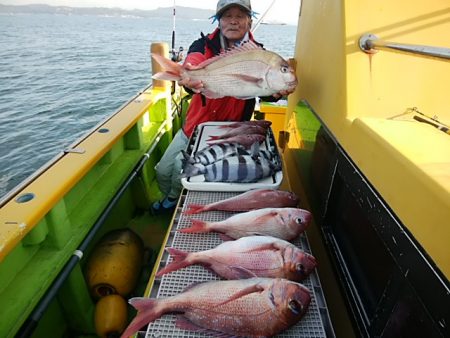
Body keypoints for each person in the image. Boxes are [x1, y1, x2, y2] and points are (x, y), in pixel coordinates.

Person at [151, 0, 295, 213]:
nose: (234, 21)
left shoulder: (261, 54)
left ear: (249, 20)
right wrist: (188, 73)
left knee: (185, 174)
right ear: (218, 21)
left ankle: (175, 202)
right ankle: (171, 198)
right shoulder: (202, 45)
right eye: (227, 16)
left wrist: (276, 93)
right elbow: (194, 61)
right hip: (195, 126)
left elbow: (265, 91)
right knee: (164, 170)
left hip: (232, 132)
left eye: (240, 16)